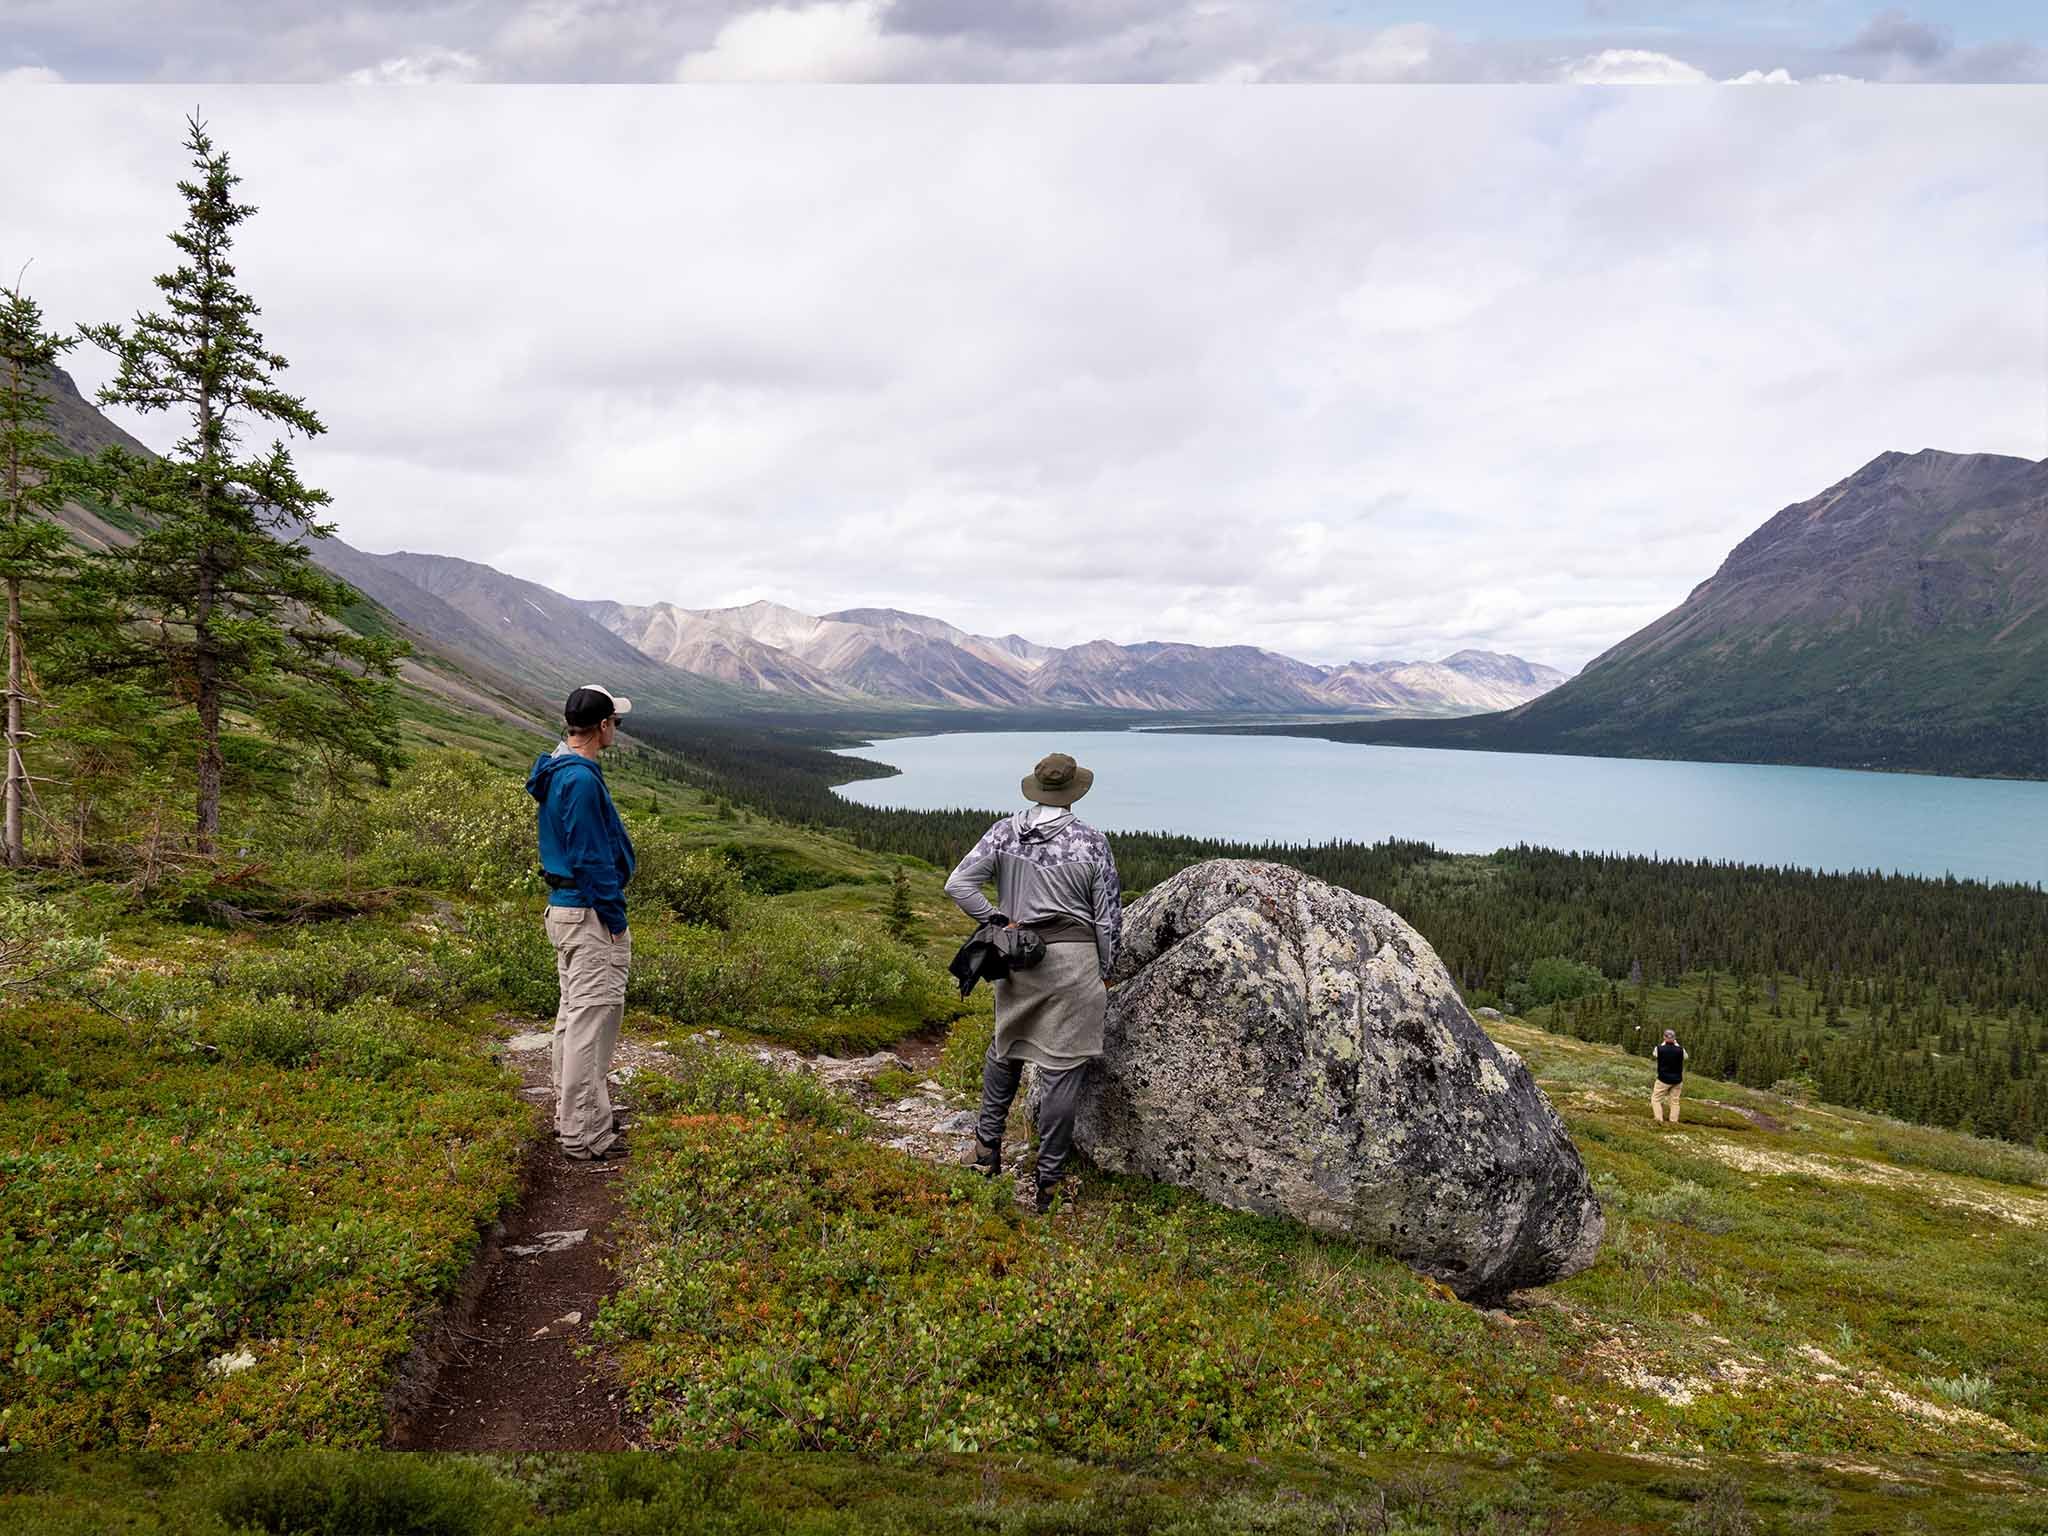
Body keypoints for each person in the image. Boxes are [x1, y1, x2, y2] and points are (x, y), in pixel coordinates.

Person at [945, 751, 1122, 1212]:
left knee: (1005, 1050)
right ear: (1074, 791)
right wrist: (1107, 970)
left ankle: (985, 1152)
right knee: (1061, 1072)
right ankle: (1049, 1184)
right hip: (1074, 967)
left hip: (1018, 960)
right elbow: (1107, 919)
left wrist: (1000, 922)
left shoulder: (1005, 832)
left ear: (1036, 787)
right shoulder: (1091, 842)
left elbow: (958, 885)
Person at [526, 684, 637, 1161]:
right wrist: (614, 919)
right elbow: (591, 858)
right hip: (589, 914)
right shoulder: (582, 780)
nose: (618, 730)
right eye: (618, 722)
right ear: (604, 726)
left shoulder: (557, 770)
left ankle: (572, 1116)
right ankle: (586, 1134)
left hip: (565, 909)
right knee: (592, 1024)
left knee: (573, 1019)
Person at [1651, 1028, 1688, 1125]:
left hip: (1663, 1079)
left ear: (1664, 1037)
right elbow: (1686, 1057)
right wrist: (1676, 1044)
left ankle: (1659, 1120)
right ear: (1674, 1038)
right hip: (1677, 1080)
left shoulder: (1658, 1049)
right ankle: (1673, 1122)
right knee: (1675, 1101)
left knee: (1656, 1099)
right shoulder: (1681, 1050)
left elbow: (1655, 1055)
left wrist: (1664, 1043)